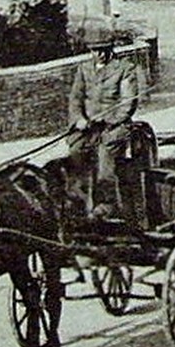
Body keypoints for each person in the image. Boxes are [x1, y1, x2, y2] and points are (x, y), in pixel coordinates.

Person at [68, 36, 139, 219]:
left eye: (103, 50)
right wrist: (79, 119)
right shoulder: (84, 69)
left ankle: (108, 203)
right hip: (88, 126)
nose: (99, 54)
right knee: (76, 150)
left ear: (111, 49)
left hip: (114, 126)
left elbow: (128, 103)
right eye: (95, 50)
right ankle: (80, 199)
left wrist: (109, 119)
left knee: (105, 157)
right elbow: (75, 98)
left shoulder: (124, 68)